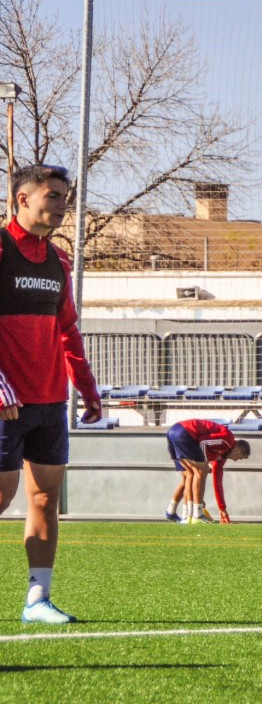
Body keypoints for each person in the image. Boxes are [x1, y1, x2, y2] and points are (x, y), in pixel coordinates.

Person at [0, 164, 102, 625]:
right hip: (4, 403)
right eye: (55, 196)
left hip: (48, 403)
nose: (63, 205)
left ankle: (37, 600)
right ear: (23, 199)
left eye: (64, 197)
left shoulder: (59, 261)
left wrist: (87, 388)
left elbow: (67, 329)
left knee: (45, 499)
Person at [164, 419, 250, 524]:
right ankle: (197, 514)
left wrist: (222, 508)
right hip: (185, 432)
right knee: (201, 471)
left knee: (189, 475)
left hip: (173, 432)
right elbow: (202, 442)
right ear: (239, 450)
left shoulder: (221, 456)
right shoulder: (228, 440)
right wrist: (205, 464)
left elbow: (217, 482)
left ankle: (177, 513)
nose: (236, 460)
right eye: (240, 457)